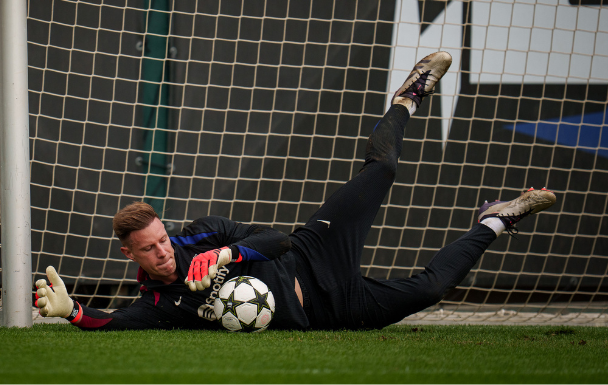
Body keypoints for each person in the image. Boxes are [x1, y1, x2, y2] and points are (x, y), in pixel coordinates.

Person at [35, 52, 557, 330]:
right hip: (332, 311)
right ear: (130, 254)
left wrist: (224, 255)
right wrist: (74, 313)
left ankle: (407, 98)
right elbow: (118, 324)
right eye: (149, 249)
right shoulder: (155, 300)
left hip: (314, 252)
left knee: (381, 172)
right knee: (428, 291)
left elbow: (278, 239)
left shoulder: (198, 236)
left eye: (162, 239)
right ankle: (497, 220)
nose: (163, 251)